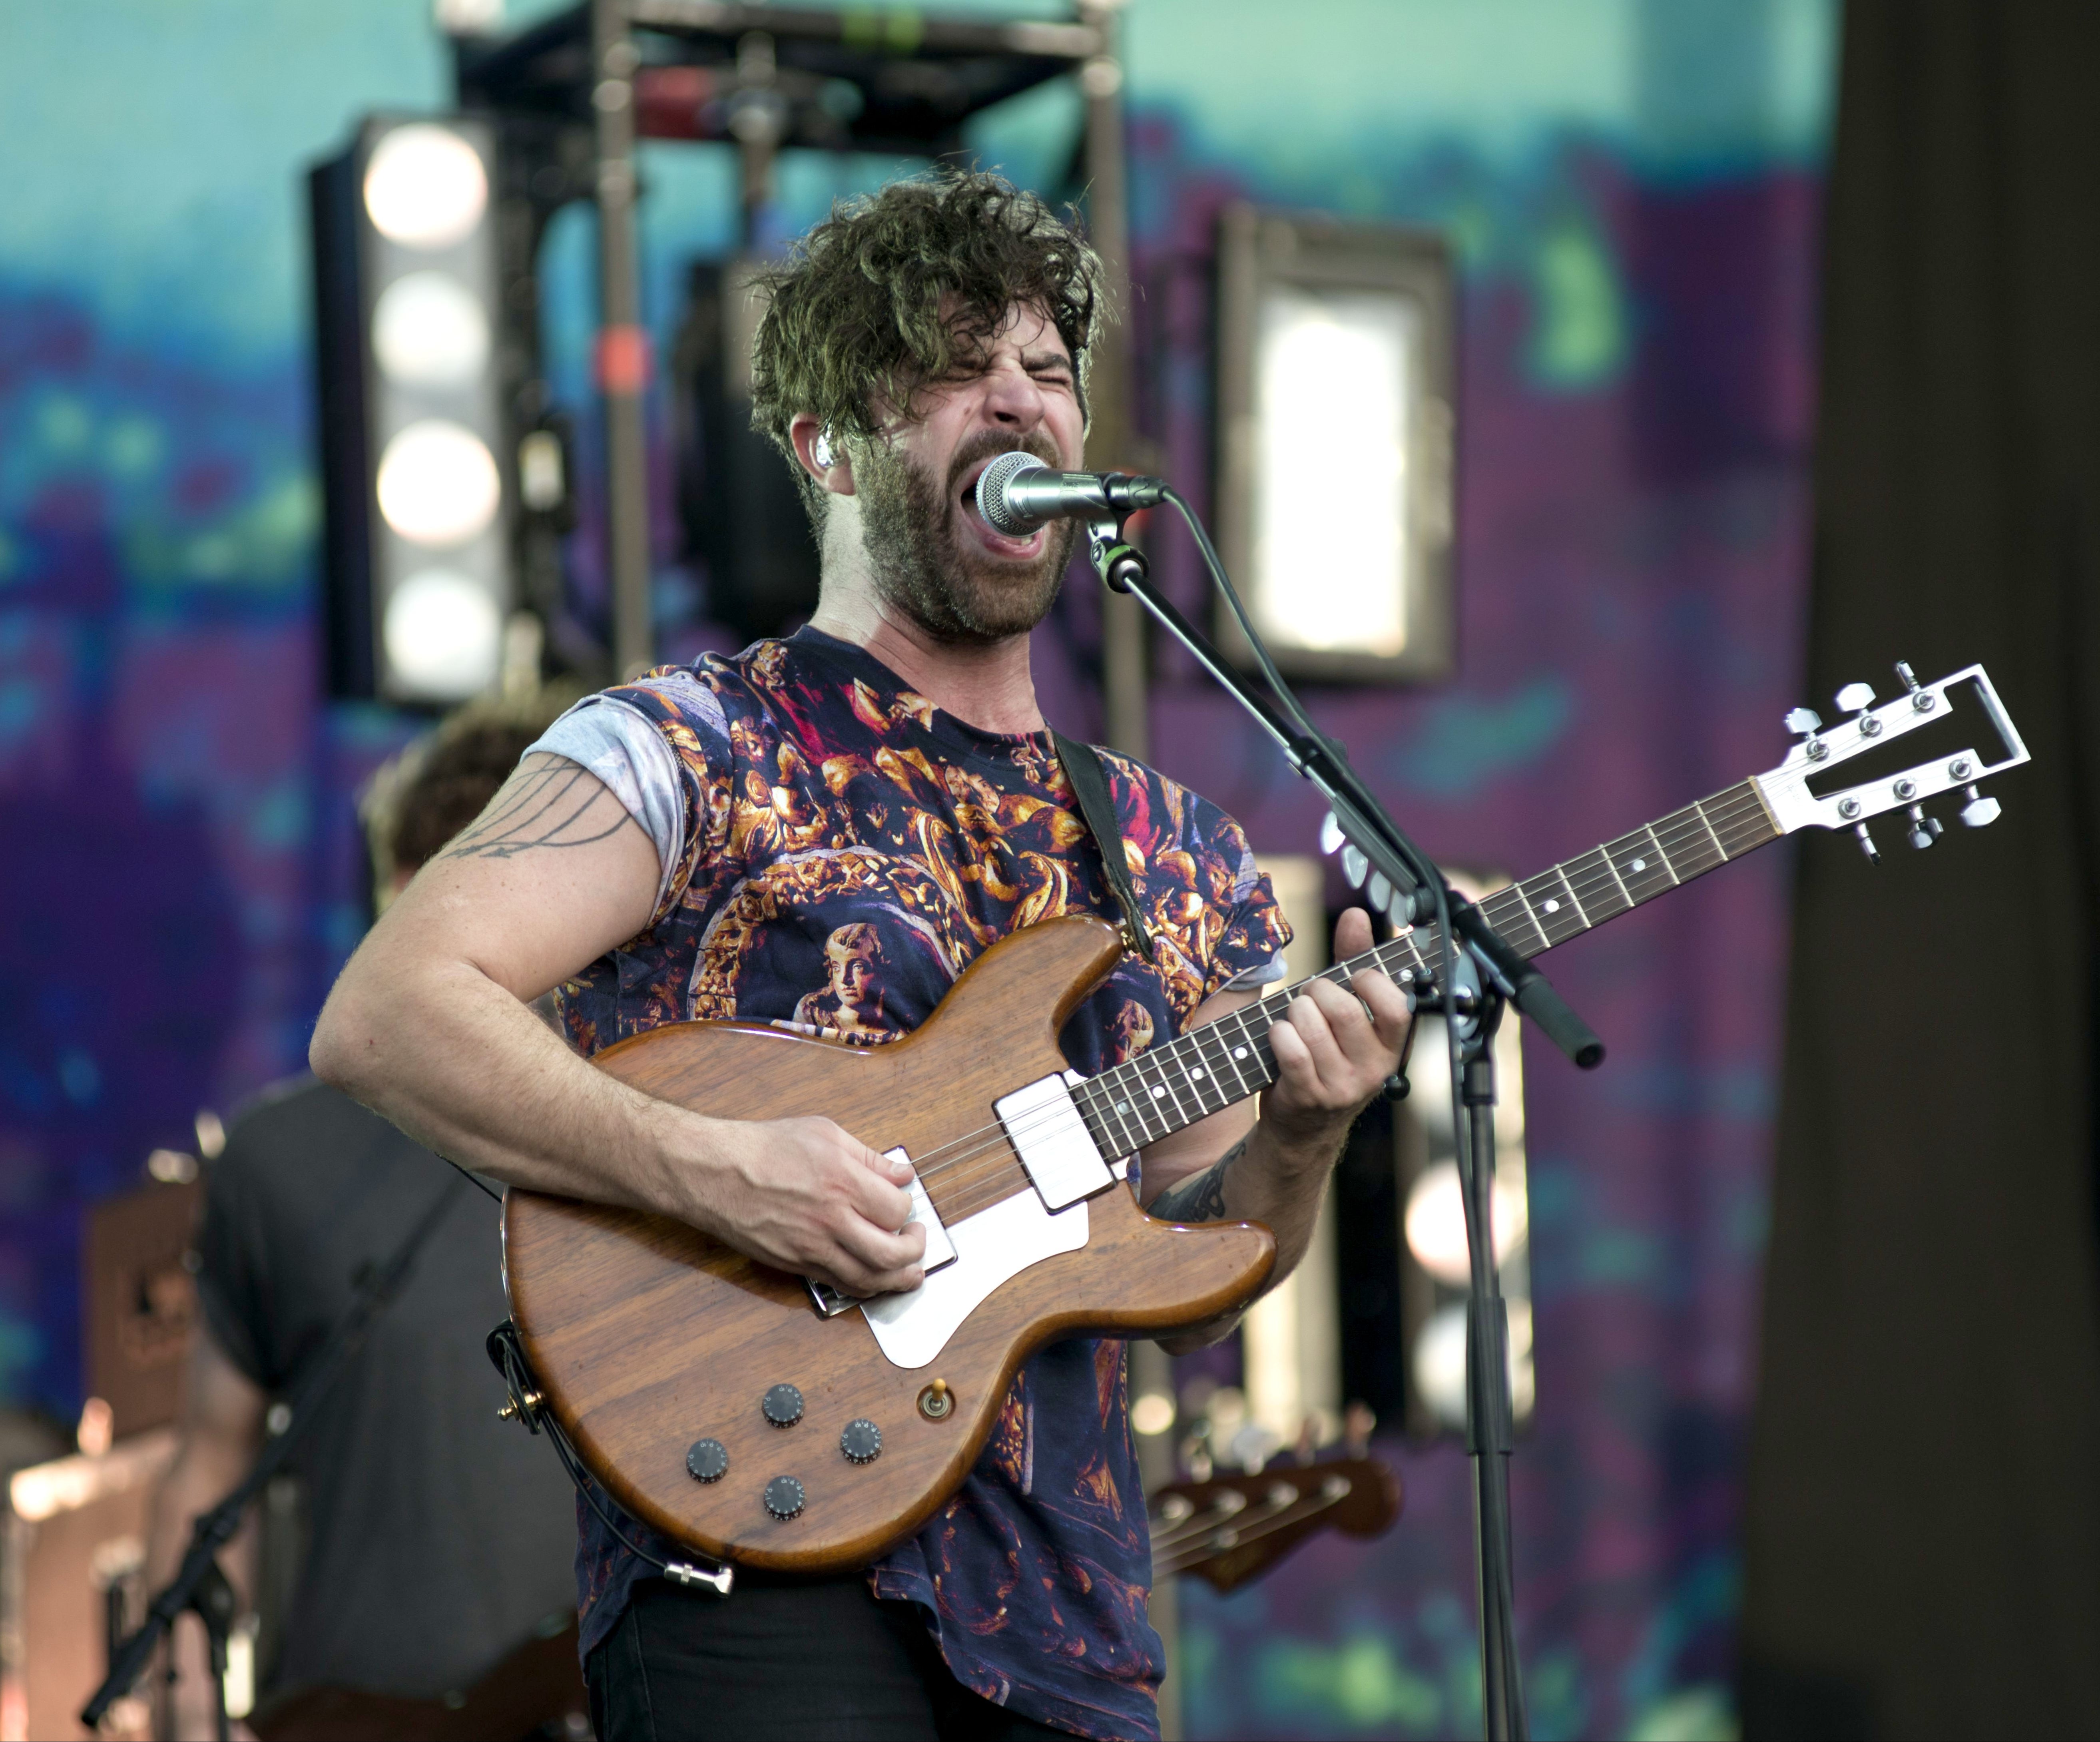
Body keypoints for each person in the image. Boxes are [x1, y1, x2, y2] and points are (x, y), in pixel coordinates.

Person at [309, 171, 1412, 1742]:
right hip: (748, 1562)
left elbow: (1196, 1262)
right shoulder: (689, 746)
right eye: (958, 369)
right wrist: (713, 1170)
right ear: (827, 446)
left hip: (1071, 1621)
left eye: (1044, 369)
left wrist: (1307, 1134)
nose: (1016, 401)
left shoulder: (1172, 848)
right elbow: (388, 1014)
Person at [148, 701, 581, 1739]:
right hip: (349, 1710)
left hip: (599, 1685)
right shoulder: (273, 1160)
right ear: (397, 895)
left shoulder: (668, 1123)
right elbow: (211, 1456)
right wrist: (185, 1698)